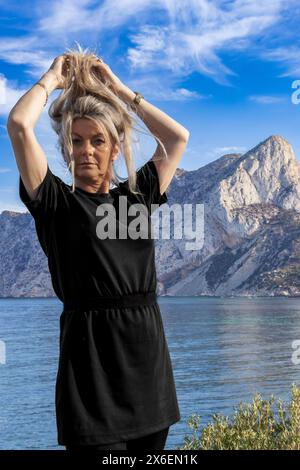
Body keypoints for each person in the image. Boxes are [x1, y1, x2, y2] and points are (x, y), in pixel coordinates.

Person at [7, 43, 190, 451]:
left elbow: (178, 138)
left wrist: (122, 91)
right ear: (66, 148)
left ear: (113, 147)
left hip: (148, 369)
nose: (86, 150)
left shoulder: (136, 197)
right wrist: (51, 81)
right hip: (90, 371)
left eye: (97, 140)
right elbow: (19, 124)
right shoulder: (55, 202)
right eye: (76, 140)